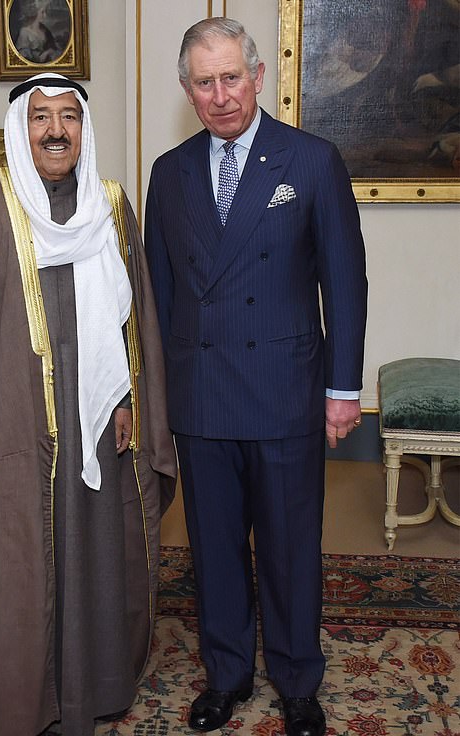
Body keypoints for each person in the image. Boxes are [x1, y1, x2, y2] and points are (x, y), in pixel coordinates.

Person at [0, 72, 176, 736]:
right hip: (10, 421)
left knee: (92, 545)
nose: (56, 130)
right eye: (40, 118)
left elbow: (134, 319)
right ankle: (16, 693)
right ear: (19, 129)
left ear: (84, 129)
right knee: (15, 555)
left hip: (93, 424)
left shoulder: (112, 206)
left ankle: (91, 687)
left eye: (68, 117)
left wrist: (127, 402)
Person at [145, 18, 367, 736]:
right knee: (212, 551)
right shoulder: (169, 172)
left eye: (232, 77)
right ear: (187, 89)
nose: (221, 95)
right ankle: (228, 676)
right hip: (202, 396)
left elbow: (346, 282)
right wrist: (162, 391)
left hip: (285, 391)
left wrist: (343, 389)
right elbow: (161, 293)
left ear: (260, 76)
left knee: (289, 547)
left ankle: (299, 682)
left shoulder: (310, 160)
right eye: (204, 82)